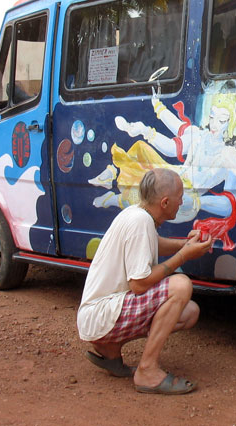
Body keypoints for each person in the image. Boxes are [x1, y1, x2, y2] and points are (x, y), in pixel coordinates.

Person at [77, 168, 213, 395]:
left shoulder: (136, 215)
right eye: (180, 197)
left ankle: (110, 347)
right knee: (181, 286)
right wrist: (184, 256)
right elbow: (139, 285)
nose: (182, 202)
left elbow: (153, 243)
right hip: (100, 316)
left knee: (189, 312)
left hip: (98, 315)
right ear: (165, 202)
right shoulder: (140, 222)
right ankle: (147, 371)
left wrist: (185, 245)